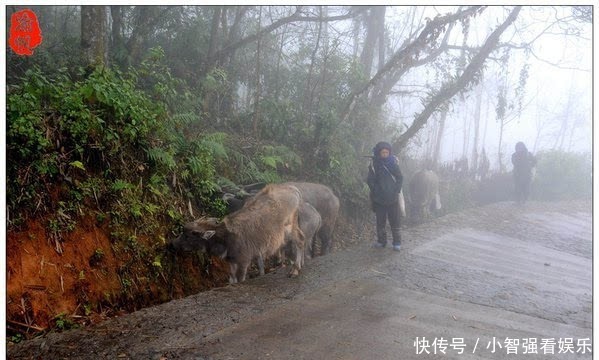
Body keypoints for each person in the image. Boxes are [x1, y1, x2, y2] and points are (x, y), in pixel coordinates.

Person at [367, 141, 403, 251]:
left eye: (387, 152)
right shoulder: (374, 164)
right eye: (383, 152)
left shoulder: (393, 164)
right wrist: (376, 190)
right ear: (378, 153)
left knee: (395, 221)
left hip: (392, 199)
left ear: (389, 152)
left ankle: (397, 243)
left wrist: (396, 190)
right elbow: (370, 180)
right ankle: (381, 241)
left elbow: (400, 177)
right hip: (379, 200)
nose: (385, 154)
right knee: (380, 222)